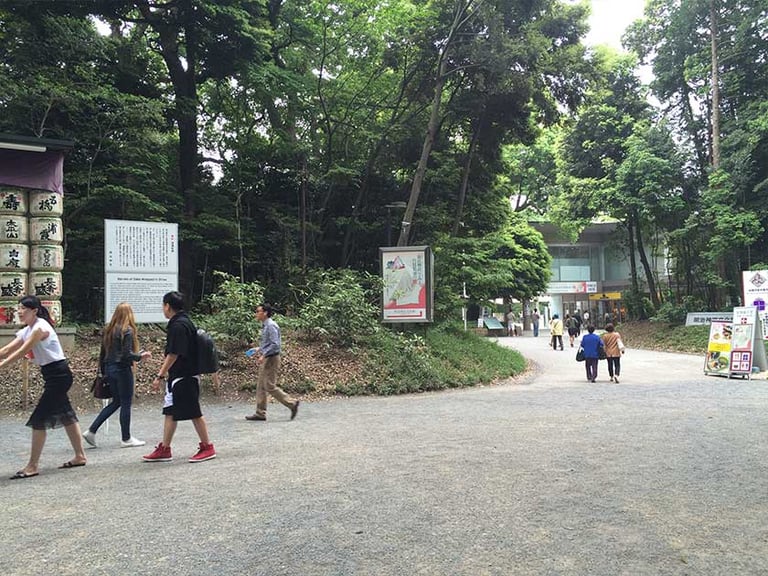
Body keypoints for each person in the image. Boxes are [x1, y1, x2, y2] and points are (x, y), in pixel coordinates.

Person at [0, 296, 87, 479]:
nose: (19, 311)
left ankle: (32, 466)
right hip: (52, 376)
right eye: (19, 308)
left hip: (59, 375)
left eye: (24, 308)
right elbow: (7, 350)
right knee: (67, 415)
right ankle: (80, 456)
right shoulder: (28, 329)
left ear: (34, 310)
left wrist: (2, 365)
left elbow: (23, 351)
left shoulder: (40, 328)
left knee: (38, 419)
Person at [143, 291, 216, 463]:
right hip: (179, 376)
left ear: (168, 306)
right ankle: (165, 448)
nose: (163, 309)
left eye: (163, 305)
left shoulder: (178, 326)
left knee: (194, 412)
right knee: (170, 411)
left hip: (185, 375)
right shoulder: (183, 322)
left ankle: (208, 447)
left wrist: (159, 376)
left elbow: (174, 354)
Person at [83, 302, 151, 448]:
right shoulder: (127, 331)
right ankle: (126, 438)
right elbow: (127, 355)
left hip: (109, 369)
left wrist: (103, 371)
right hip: (122, 370)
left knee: (116, 402)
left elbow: (103, 353)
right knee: (126, 402)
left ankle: (91, 430)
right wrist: (140, 356)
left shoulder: (109, 330)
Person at [245, 304, 300, 422]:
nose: (256, 313)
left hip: (272, 358)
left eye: (258, 311)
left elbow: (275, 344)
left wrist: (264, 355)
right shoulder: (265, 326)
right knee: (261, 385)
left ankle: (292, 403)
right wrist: (258, 349)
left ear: (265, 313)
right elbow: (269, 343)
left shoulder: (271, 326)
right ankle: (260, 413)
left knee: (269, 386)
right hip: (268, 357)